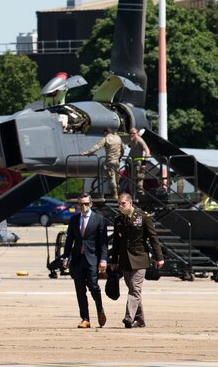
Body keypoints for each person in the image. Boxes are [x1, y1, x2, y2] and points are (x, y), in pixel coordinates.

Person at [110, 193, 164, 328]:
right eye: (119, 204)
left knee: (135, 288)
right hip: (125, 260)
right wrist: (114, 260)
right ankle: (140, 320)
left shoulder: (143, 217)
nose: (120, 206)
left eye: (123, 203)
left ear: (130, 203)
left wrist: (159, 257)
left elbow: (153, 237)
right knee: (134, 290)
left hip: (140, 258)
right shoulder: (118, 219)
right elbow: (116, 242)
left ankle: (129, 317)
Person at [61, 192, 108, 328]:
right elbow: (69, 240)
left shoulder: (99, 219)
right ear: (78, 205)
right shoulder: (74, 219)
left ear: (91, 204)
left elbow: (103, 243)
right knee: (80, 290)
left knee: (93, 286)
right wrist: (66, 257)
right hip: (77, 259)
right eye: (81, 204)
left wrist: (103, 260)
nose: (84, 206)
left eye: (86, 204)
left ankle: (100, 309)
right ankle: (85, 318)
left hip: (92, 258)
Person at [83, 127, 125, 199]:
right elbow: (123, 148)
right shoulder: (118, 138)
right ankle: (118, 191)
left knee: (111, 178)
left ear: (106, 132)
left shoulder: (106, 139)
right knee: (117, 177)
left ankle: (115, 195)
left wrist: (87, 153)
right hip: (117, 161)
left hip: (110, 161)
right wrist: (120, 157)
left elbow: (97, 147)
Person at [129, 128, 151, 195]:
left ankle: (140, 193)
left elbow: (147, 150)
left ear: (137, 133)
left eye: (134, 133)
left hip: (139, 162)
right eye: (131, 133)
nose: (132, 135)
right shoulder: (132, 141)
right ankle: (135, 193)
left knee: (139, 178)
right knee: (133, 179)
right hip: (133, 162)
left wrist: (144, 162)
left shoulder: (139, 140)